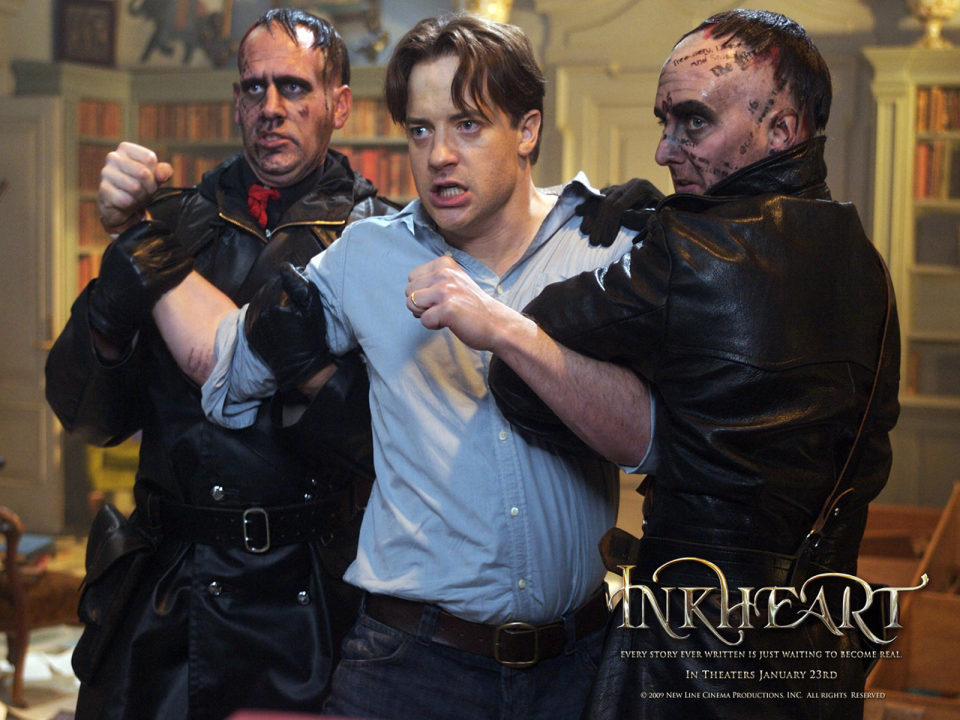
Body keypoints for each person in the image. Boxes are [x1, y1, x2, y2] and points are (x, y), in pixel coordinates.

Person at [143, 13, 656, 720]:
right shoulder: (367, 256)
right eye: (420, 130)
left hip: (578, 667)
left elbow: (648, 442)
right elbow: (226, 368)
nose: (439, 154)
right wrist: (144, 245)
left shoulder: (606, 246)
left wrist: (508, 332)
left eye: (467, 125)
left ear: (527, 129)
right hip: (412, 667)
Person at [488, 9, 901, 720]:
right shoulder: (869, 267)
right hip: (821, 649)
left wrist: (649, 430)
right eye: (665, 121)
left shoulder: (686, 254)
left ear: (782, 129)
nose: (663, 149)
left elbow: (515, 369)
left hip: (691, 654)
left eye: (693, 122)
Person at [44, 9, 396, 719]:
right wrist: (108, 316)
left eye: (294, 87)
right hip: (170, 596)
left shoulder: (385, 239)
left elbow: (390, 442)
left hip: (313, 599)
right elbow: (87, 420)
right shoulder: (171, 222)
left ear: (339, 104)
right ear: (236, 102)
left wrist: (306, 374)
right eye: (254, 88)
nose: (271, 108)